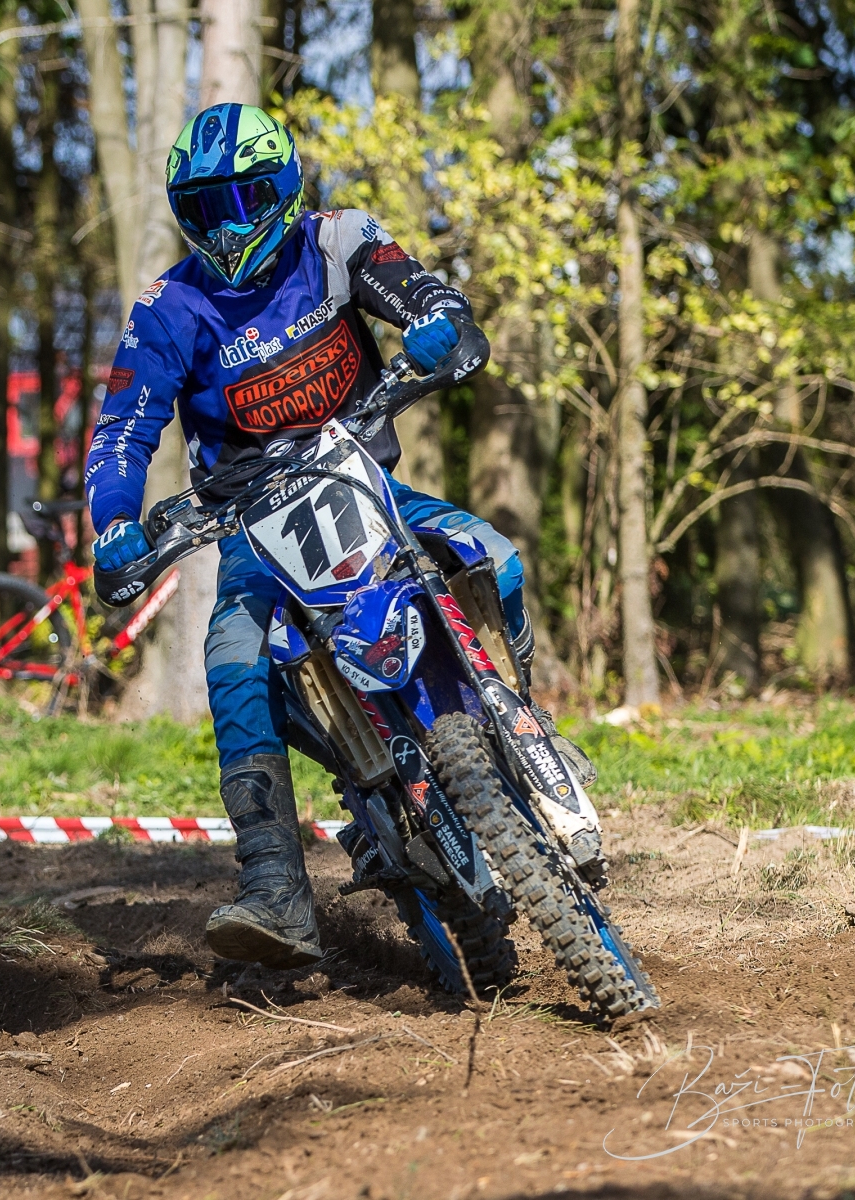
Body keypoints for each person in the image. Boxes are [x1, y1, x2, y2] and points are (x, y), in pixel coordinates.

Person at [84, 103, 571, 969]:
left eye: (246, 197)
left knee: (493, 558)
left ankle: (525, 722)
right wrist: (116, 520)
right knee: (234, 662)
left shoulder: (336, 241)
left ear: (285, 185)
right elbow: (123, 428)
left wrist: (437, 320)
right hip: (253, 531)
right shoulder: (168, 308)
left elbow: (418, 287)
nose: (228, 223)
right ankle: (274, 885)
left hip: (370, 486)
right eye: (205, 207)